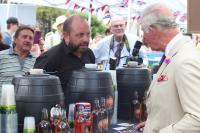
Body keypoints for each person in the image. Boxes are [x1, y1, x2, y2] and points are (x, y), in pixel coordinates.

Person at [135, 3, 200, 133]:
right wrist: (152, 125)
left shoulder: (184, 60)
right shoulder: (174, 54)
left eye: (143, 32)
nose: (143, 39)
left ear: (152, 30)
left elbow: (197, 119)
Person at [34, 15, 95, 106]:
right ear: (66, 35)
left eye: (88, 34)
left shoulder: (89, 54)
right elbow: (35, 91)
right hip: (60, 117)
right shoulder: (50, 58)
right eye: (80, 35)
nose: (86, 39)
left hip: (86, 114)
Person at [0, 25, 36, 95]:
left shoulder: (36, 60)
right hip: (4, 104)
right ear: (15, 39)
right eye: (24, 37)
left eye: (30, 38)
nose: (28, 40)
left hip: (28, 104)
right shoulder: (1, 56)